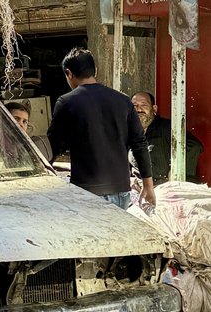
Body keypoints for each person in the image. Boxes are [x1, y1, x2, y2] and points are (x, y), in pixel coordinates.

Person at [47, 47, 156, 210]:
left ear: (69, 73)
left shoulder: (66, 102)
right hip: (121, 191)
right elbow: (139, 144)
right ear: (95, 70)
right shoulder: (123, 100)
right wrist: (148, 185)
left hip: (87, 191)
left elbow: (54, 145)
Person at [131, 91, 203, 185]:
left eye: (144, 105)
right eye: (134, 105)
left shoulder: (167, 127)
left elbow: (194, 146)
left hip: (171, 191)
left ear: (154, 109)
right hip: (141, 191)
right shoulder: (129, 133)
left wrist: (175, 170)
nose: (139, 109)